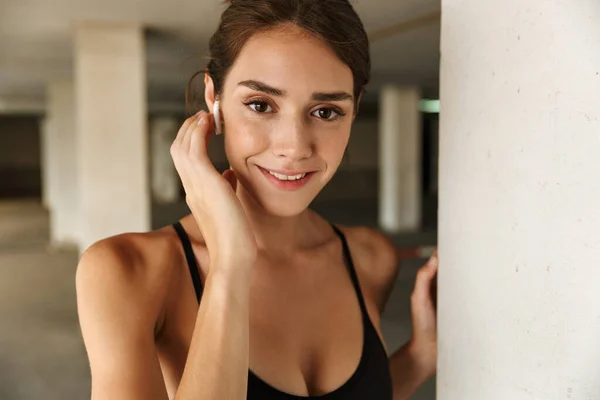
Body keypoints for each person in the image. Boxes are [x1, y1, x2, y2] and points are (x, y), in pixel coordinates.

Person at [75, 0, 439, 399]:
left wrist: (420, 357)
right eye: (260, 105)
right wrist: (230, 262)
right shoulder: (127, 272)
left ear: (354, 112)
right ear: (214, 100)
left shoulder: (371, 258)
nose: (294, 147)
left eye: (326, 111)